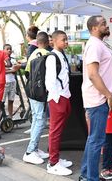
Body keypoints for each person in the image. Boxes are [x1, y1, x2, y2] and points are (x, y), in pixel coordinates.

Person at [79, 15, 112, 181]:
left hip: (98, 99)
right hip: (98, 99)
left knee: (93, 140)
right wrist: (108, 95)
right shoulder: (94, 45)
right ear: (94, 28)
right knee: (96, 141)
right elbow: (93, 75)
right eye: (103, 24)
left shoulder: (97, 44)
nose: (106, 26)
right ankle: (91, 178)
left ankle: (86, 175)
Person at [45, 30, 72, 176]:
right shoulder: (52, 57)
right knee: (55, 131)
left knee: (58, 131)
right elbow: (49, 82)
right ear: (53, 41)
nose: (66, 42)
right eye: (63, 39)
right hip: (58, 98)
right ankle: (53, 163)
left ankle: (56, 159)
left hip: (64, 96)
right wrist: (57, 100)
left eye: (66, 39)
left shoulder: (61, 55)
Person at [23, 32, 50, 165]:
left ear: (37, 42)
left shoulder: (33, 53)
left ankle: (34, 149)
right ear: (48, 41)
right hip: (40, 92)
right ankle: (30, 151)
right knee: (40, 120)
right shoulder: (47, 54)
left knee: (36, 118)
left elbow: (27, 72)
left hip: (31, 91)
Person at [2, 44, 19, 119]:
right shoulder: (1, 59)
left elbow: (16, 69)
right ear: (3, 50)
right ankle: (2, 117)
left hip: (12, 82)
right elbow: (2, 71)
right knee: (2, 101)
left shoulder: (13, 59)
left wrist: (9, 70)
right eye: (7, 49)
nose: (9, 50)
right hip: (4, 83)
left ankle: (10, 117)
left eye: (10, 49)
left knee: (11, 100)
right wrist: (11, 70)